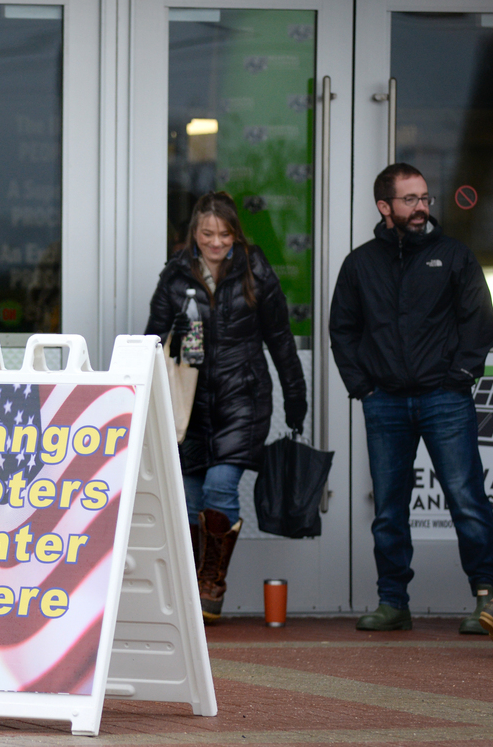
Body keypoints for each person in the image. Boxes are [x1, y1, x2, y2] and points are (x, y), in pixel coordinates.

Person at [330, 162, 493, 634]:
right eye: (410, 200)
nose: (421, 207)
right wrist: (363, 387)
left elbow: (480, 323)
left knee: (466, 499)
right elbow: (342, 331)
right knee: (389, 506)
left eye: (425, 197)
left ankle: (490, 599)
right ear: (384, 206)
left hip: (444, 399)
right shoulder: (360, 263)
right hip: (384, 401)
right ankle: (393, 603)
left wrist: (460, 376)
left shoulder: (453, 255)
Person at [145, 191, 307, 622]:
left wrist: (296, 396)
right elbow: (149, 342)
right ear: (193, 234)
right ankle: (194, 580)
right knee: (190, 496)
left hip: (243, 398)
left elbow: (280, 339)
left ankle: (211, 580)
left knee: (220, 487)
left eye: (224, 234)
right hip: (189, 406)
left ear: (236, 233)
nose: (216, 243)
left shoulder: (255, 271)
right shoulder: (175, 276)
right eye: (207, 234)